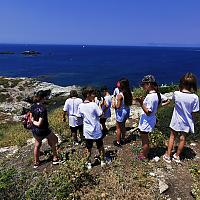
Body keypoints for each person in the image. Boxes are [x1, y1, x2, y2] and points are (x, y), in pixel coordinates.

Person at [163, 72, 199, 163]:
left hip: (176, 120)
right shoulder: (195, 97)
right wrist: (193, 121)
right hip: (187, 121)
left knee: (172, 137)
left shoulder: (176, 93)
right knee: (182, 138)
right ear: (193, 85)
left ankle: (168, 155)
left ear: (181, 83)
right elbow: (194, 112)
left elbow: (172, 102)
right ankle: (177, 156)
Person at [137, 75, 169, 160]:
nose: (142, 86)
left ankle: (144, 155)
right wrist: (158, 107)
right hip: (151, 119)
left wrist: (141, 103)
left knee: (145, 140)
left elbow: (148, 112)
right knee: (145, 138)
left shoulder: (150, 97)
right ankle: (145, 152)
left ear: (149, 84)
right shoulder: (158, 94)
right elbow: (168, 100)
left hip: (147, 121)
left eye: (143, 85)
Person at [77, 87, 106, 169]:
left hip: (87, 130)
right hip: (96, 129)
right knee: (100, 146)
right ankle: (103, 161)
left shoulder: (80, 106)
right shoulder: (93, 105)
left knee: (88, 147)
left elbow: (79, 116)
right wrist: (99, 105)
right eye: (93, 94)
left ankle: (89, 163)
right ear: (88, 95)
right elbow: (101, 114)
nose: (94, 95)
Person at [30, 90, 59, 168]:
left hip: (35, 130)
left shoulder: (33, 106)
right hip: (43, 130)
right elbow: (40, 123)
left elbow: (31, 117)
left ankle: (36, 162)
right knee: (54, 140)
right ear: (43, 98)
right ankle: (55, 158)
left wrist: (32, 122)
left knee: (37, 145)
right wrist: (34, 122)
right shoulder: (43, 109)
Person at [112, 78, 133, 147]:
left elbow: (118, 106)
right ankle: (123, 139)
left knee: (118, 128)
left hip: (121, 113)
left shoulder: (120, 95)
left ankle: (118, 142)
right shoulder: (128, 92)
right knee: (123, 125)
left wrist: (114, 104)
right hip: (127, 111)